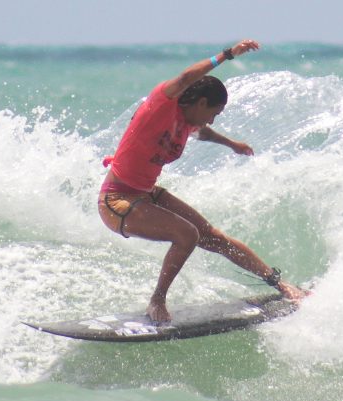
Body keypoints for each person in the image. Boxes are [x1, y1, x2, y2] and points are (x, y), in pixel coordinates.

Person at [98, 39, 306, 322]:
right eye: (214, 113)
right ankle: (156, 301)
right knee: (187, 234)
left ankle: (279, 284)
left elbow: (203, 132)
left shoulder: (187, 122)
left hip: (146, 194)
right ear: (201, 102)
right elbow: (185, 77)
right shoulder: (162, 105)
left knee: (215, 237)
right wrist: (228, 54)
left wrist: (231, 143)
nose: (214, 119)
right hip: (116, 200)